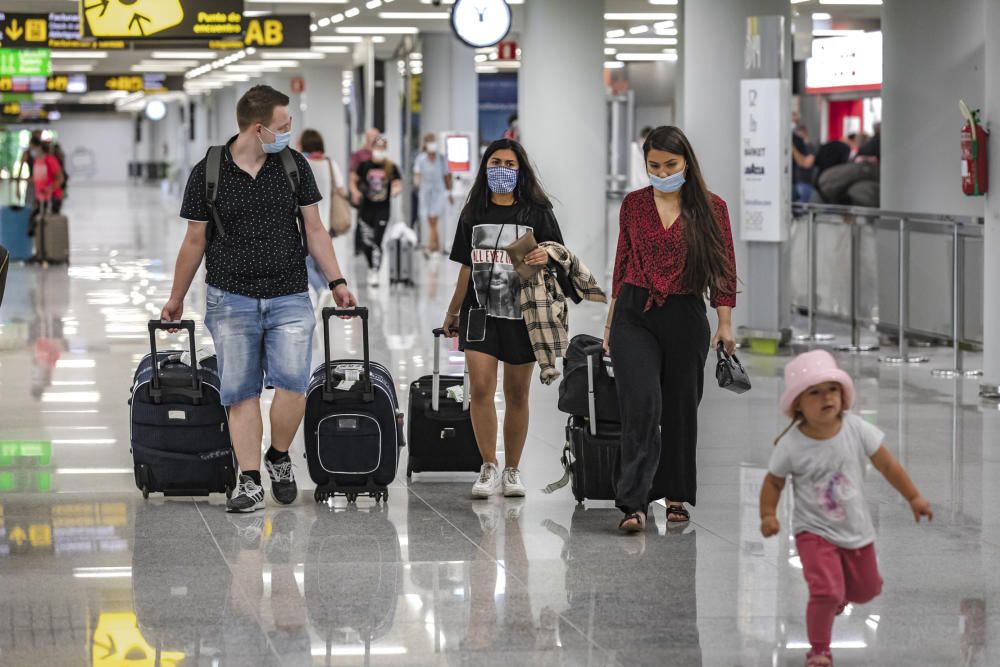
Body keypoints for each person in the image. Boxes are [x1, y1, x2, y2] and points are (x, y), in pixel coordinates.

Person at [161, 85, 357, 513]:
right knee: (241, 391)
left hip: (289, 293)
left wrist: (336, 280)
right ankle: (249, 480)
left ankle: (279, 455)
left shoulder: (293, 164)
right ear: (258, 127)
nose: (290, 131)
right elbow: (195, 240)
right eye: (284, 125)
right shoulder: (208, 170)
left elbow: (316, 230)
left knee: (293, 385)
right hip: (229, 297)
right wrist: (176, 297)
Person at [760, 350, 932, 667]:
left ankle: (843, 595)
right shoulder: (791, 444)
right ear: (798, 404)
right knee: (823, 591)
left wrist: (914, 497)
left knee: (867, 590)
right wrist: (768, 515)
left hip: (855, 528)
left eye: (832, 389)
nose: (826, 397)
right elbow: (773, 482)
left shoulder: (856, 428)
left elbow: (888, 466)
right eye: (815, 392)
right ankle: (820, 650)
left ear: (843, 394)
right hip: (813, 531)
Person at [604, 125, 737, 533]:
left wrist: (725, 322)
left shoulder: (712, 208)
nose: (661, 172)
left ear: (687, 164)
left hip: (685, 314)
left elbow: (723, 268)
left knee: (681, 408)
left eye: (670, 165)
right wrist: (609, 322)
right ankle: (634, 502)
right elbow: (622, 261)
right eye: (654, 165)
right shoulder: (633, 205)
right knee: (641, 406)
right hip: (635, 311)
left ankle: (676, 495)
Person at [442, 138, 564, 499]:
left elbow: (558, 255)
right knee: (480, 387)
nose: (503, 170)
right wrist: (452, 311)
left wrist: (546, 256)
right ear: (485, 167)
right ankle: (488, 465)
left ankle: (512, 469)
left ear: (521, 170)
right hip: (479, 313)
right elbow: (466, 266)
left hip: (522, 314)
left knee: (516, 392)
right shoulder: (473, 212)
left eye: (510, 165)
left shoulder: (537, 213)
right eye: (496, 162)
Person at [299, 128, 350, 300]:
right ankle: (329, 290)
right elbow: (341, 189)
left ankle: (322, 290)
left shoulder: (301, 163)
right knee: (321, 261)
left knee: (305, 262)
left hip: (305, 221)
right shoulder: (330, 163)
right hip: (325, 221)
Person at [351, 135, 402, 287]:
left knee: (378, 241)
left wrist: (395, 190)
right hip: (366, 208)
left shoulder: (391, 167)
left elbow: (398, 184)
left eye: (382, 148)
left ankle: (375, 271)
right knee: (367, 242)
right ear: (372, 148)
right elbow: (353, 179)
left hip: (383, 208)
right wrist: (355, 192)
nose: (379, 151)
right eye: (377, 147)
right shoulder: (364, 165)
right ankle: (370, 265)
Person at [413, 132, 452, 253]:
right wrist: (416, 182)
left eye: (433, 141)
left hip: (439, 191)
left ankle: (430, 245)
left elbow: (446, 176)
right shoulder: (421, 159)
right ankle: (437, 245)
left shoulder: (441, 158)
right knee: (430, 220)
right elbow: (417, 174)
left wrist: (449, 191)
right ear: (425, 144)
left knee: (434, 219)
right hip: (426, 192)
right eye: (429, 142)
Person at [792, 124, 816, 203]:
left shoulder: (809, 146)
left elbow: (806, 163)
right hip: (795, 183)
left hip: (804, 184)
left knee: (799, 211)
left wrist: (792, 147)